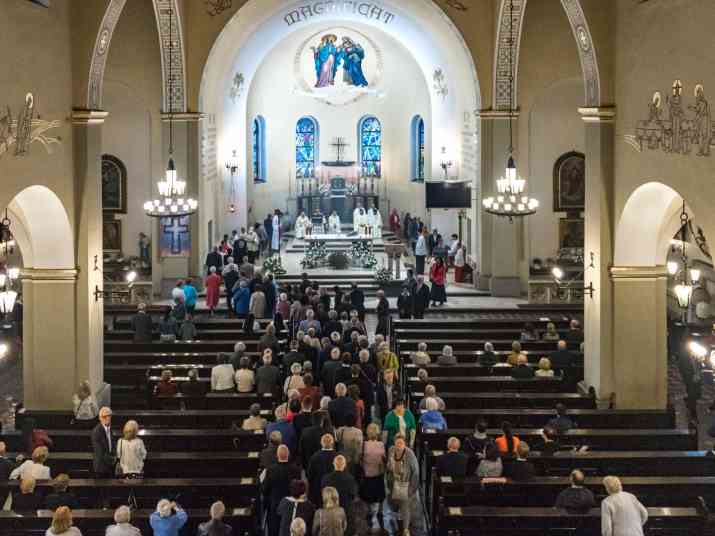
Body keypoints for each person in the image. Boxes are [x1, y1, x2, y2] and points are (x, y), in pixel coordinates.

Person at [384, 434, 425, 536]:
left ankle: (406, 529)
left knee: (405, 507)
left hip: (405, 485)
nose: (399, 445)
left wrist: (411, 489)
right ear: (394, 442)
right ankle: (397, 521)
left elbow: (416, 472)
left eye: (401, 443)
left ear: (405, 443)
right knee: (394, 504)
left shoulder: (410, 454)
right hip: (392, 484)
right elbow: (388, 466)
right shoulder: (391, 450)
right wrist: (389, 467)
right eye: (397, 442)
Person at [263, 446, 302, 536]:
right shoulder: (296, 470)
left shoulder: (271, 470)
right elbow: (299, 489)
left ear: (277, 455)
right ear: (288, 455)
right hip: (291, 505)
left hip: (275, 505)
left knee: (274, 529)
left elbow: (265, 490)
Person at [307, 433, 338, 506]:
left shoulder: (315, 457)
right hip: (334, 490)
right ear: (332, 443)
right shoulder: (337, 457)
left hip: (318, 489)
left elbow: (310, 475)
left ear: (321, 443)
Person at [91, 407, 114, 478]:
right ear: (100, 418)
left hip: (108, 465)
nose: (107, 418)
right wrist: (112, 460)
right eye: (104, 416)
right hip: (101, 467)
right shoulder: (97, 431)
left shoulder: (109, 429)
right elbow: (100, 452)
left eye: (109, 415)